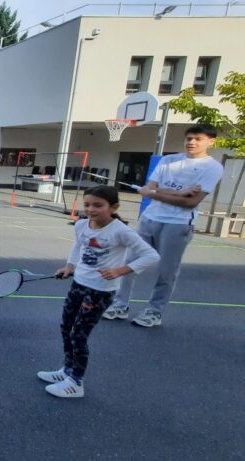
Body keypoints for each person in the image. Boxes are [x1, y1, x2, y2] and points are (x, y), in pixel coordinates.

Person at [38, 185, 159, 398]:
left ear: (113, 207)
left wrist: (120, 271)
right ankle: (67, 371)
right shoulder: (82, 225)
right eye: (87, 204)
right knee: (66, 327)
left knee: (79, 334)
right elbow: (78, 246)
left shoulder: (120, 231)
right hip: (79, 284)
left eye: (98, 205)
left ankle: (76, 382)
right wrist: (69, 267)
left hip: (100, 291)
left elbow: (151, 256)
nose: (91, 209)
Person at [102, 124, 225, 327]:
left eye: (198, 139)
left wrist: (156, 193)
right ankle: (120, 305)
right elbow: (151, 187)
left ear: (211, 142)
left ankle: (154, 311)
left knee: (166, 271)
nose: (192, 142)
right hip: (149, 218)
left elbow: (190, 202)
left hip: (178, 224)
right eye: (189, 138)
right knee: (129, 262)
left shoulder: (212, 167)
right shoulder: (169, 160)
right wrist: (179, 192)